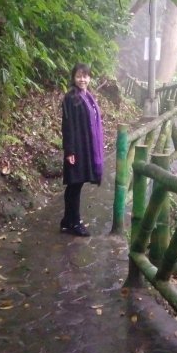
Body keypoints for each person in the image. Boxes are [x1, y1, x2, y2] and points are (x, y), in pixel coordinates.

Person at [60, 63, 104, 237]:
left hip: (85, 146)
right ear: (73, 78)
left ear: (89, 78)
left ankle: (67, 221)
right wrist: (69, 150)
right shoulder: (71, 98)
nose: (82, 79)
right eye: (79, 76)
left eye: (85, 76)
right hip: (76, 147)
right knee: (74, 184)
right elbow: (67, 125)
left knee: (76, 184)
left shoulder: (87, 96)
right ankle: (74, 222)